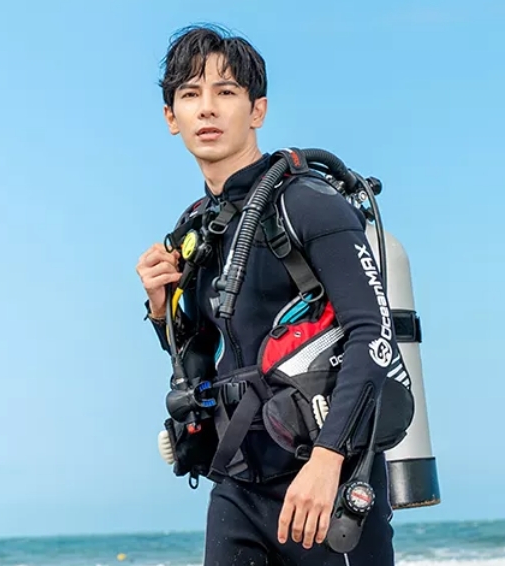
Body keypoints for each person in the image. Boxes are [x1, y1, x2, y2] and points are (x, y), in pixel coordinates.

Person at [136, 24, 399, 565]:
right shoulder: (197, 231)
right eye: (190, 94)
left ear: (257, 110)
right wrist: (162, 312)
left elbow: (373, 336)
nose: (207, 108)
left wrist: (327, 460)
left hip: (326, 481)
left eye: (226, 91)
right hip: (238, 485)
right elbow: (204, 361)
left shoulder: (307, 204)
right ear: (171, 117)